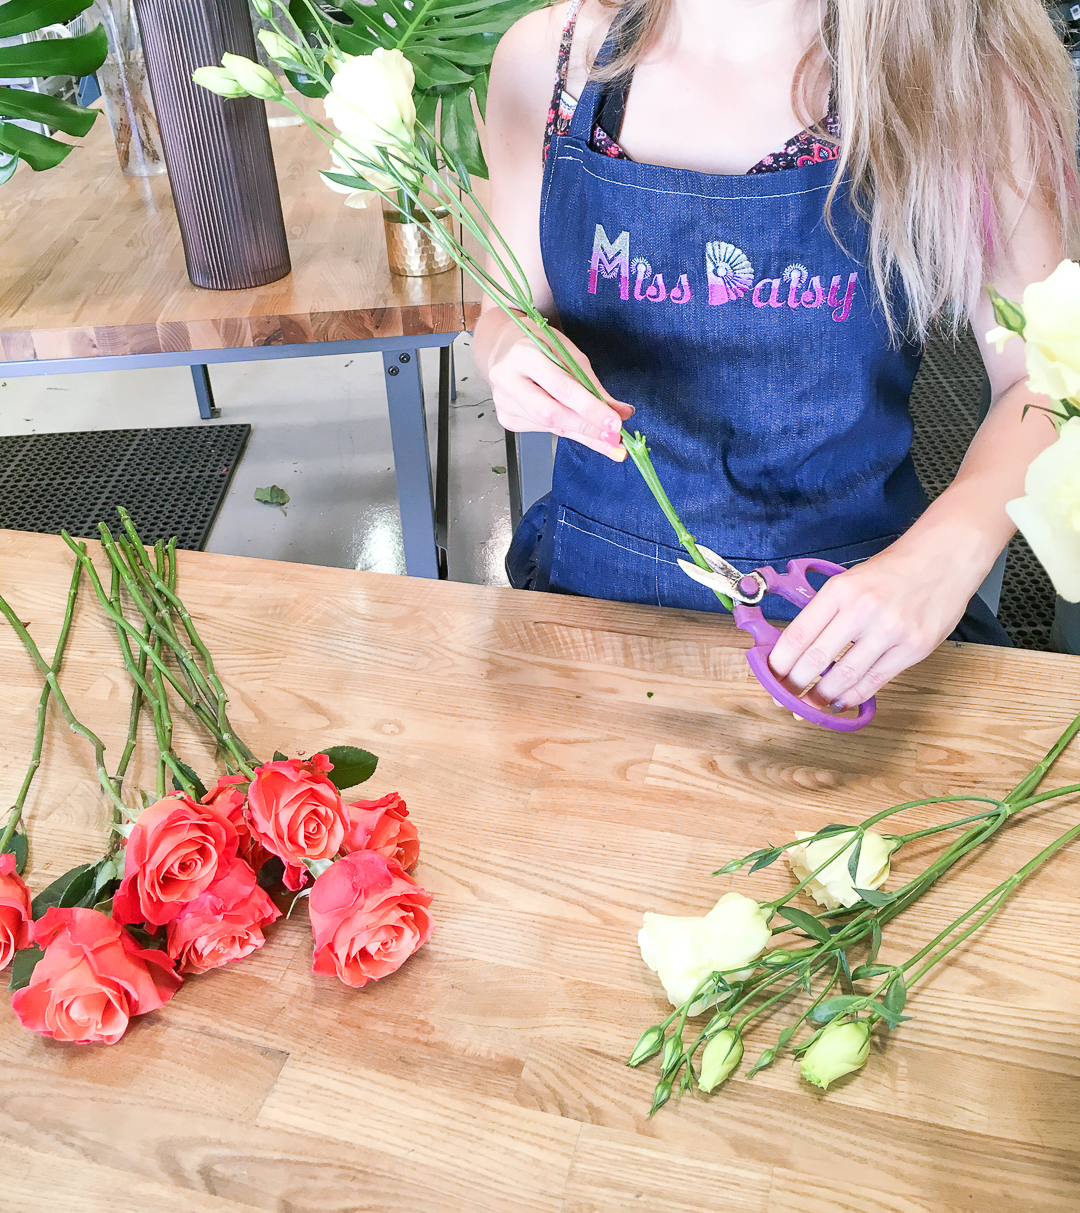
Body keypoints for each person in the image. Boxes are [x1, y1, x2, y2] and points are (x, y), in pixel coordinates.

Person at [474, 0, 1080, 713]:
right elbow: (506, 309)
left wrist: (945, 556)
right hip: (591, 623)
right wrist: (507, 348)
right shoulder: (546, 63)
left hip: (853, 638)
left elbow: (1051, 379)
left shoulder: (960, 74)